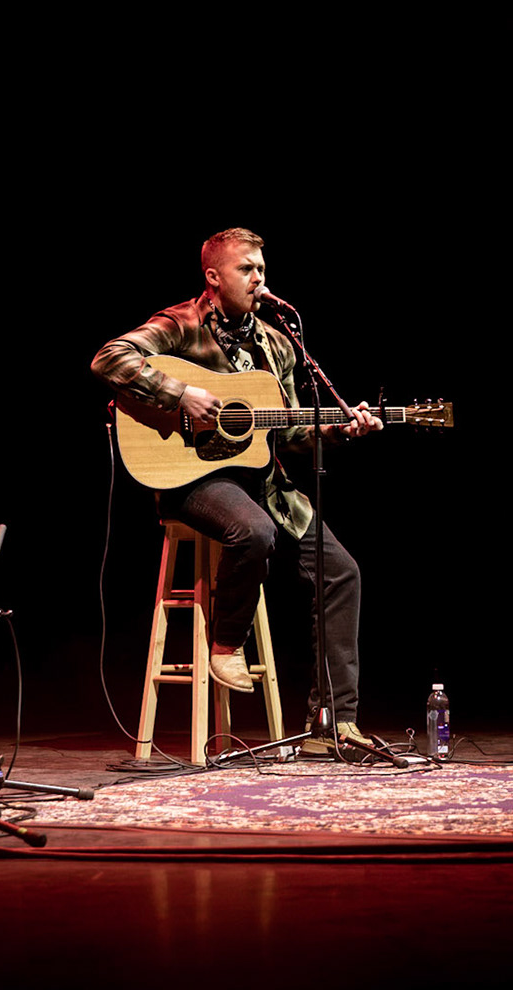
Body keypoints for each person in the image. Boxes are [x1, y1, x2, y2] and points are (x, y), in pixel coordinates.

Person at [92, 227, 382, 755]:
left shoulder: (277, 343)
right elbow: (109, 359)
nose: (258, 279)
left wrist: (340, 429)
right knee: (254, 531)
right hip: (192, 479)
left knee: (342, 572)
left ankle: (332, 725)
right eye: (247, 269)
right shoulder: (180, 323)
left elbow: (289, 434)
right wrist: (180, 392)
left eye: (262, 270)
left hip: (263, 483)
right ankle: (226, 643)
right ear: (213, 277)